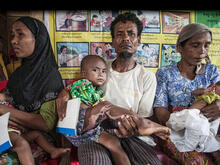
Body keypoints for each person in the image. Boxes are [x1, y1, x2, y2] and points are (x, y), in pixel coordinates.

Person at [56, 12, 171, 165]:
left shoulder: (146, 77)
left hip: (131, 132)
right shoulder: (100, 68)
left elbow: (143, 115)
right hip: (94, 130)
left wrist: (131, 128)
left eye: (131, 34)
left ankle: (146, 126)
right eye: (120, 34)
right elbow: (77, 87)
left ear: (138, 40)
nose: (125, 38)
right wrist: (63, 94)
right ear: (113, 41)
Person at [0, 16, 66, 164]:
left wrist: (4, 111)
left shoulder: (50, 76)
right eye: (12, 35)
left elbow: (45, 124)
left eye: (20, 34)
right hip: (11, 131)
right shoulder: (18, 74)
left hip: (40, 139)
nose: (13, 41)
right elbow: (7, 100)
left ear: (38, 39)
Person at [153, 23, 220, 164]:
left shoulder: (211, 71)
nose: (202, 51)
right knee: (197, 162)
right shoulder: (165, 73)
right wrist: (181, 127)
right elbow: (160, 111)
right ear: (179, 47)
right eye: (195, 45)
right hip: (176, 131)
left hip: (207, 127)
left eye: (206, 45)